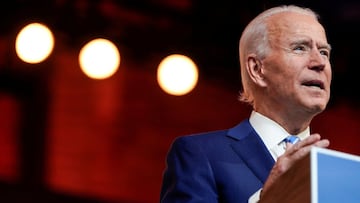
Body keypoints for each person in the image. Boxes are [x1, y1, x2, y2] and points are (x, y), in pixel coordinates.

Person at [160, 4, 331, 203]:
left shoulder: (342, 172)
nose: (320, 62)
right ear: (257, 69)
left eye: (324, 52)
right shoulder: (200, 153)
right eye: (300, 48)